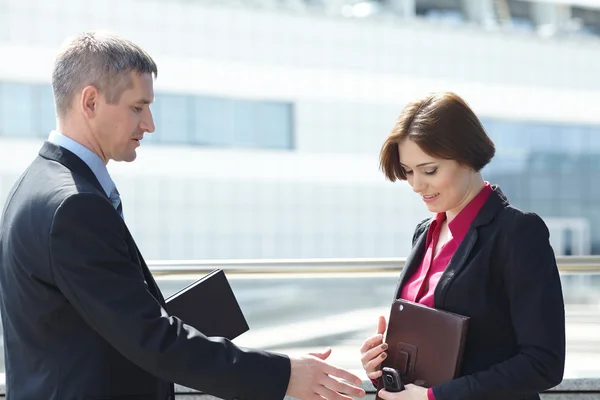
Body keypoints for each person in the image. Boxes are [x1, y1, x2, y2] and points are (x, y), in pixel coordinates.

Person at [0, 31, 366, 400]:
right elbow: (151, 339)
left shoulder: (33, 185)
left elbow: (94, 322)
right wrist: (285, 375)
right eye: (137, 107)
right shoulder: (74, 206)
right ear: (91, 101)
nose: (149, 124)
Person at [359, 92, 565, 400]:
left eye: (429, 170)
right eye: (408, 171)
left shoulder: (517, 233)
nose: (416, 185)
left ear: (467, 156)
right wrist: (382, 363)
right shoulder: (424, 234)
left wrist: (434, 397)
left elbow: (543, 363)